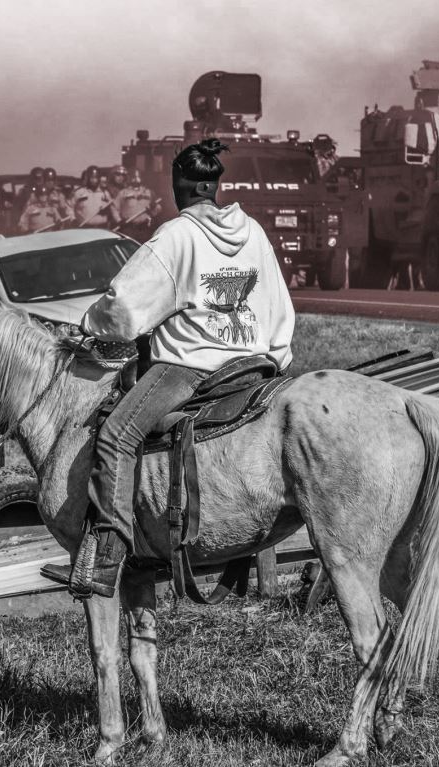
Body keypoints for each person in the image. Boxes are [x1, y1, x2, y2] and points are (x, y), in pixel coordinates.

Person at [40, 138, 296, 599]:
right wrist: (274, 357)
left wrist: (90, 324)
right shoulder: (254, 231)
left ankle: (106, 559)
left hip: (191, 370)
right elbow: (280, 304)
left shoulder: (177, 236)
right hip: (255, 366)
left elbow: (124, 306)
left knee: (117, 434)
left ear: (179, 187)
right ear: (216, 186)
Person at [110, 169, 160, 240]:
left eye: (138, 177)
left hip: (145, 228)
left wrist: (154, 208)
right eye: (133, 177)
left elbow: (158, 208)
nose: (136, 179)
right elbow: (114, 207)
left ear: (141, 178)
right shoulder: (123, 192)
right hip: (129, 228)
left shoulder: (148, 192)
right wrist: (119, 220)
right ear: (129, 178)